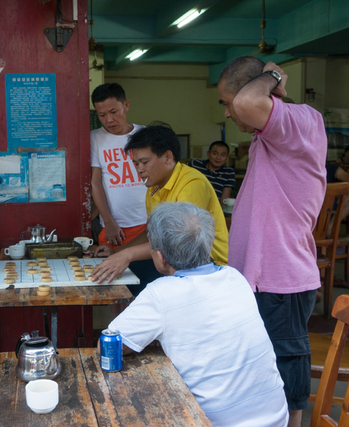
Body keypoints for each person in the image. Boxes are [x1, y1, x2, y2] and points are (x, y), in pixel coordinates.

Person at [99, 202, 288, 427]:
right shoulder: (235, 277)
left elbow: (108, 346)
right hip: (276, 419)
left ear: (160, 257)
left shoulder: (161, 293)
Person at [218, 57, 326, 427]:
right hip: (262, 278)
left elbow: (249, 103)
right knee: (265, 366)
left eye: (228, 102)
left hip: (283, 277)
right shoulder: (276, 132)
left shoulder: (302, 120)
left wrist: (275, 75)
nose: (230, 113)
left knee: (285, 368)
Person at [92, 124, 229, 296]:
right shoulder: (153, 188)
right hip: (172, 257)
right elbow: (151, 233)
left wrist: (127, 255)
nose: (139, 169)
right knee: (123, 277)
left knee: (135, 278)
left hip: (206, 262)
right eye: (135, 163)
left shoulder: (192, 183)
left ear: (168, 157)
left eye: (145, 162)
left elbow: (179, 242)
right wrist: (116, 252)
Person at [90, 83, 147, 249]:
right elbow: (96, 182)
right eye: (102, 115)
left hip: (146, 221)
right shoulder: (95, 138)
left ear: (126, 105)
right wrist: (108, 221)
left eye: (113, 112)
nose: (109, 120)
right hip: (114, 226)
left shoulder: (145, 134)